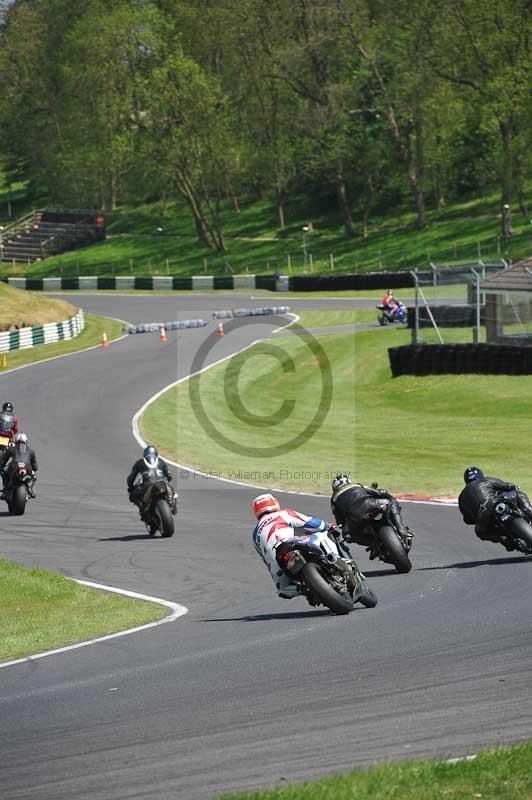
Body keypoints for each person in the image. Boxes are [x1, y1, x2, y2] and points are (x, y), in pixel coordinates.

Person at [252, 493, 330, 599]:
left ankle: (302, 589)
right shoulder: (284, 514)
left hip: (277, 564)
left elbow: (265, 560)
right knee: (322, 534)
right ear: (275, 503)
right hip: (292, 545)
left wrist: (276, 577)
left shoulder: (255, 534)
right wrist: (327, 525)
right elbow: (310, 522)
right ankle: (332, 558)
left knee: (282, 590)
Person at [458, 466, 532, 547]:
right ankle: (529, 510)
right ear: (480, 475)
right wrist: (514, 487)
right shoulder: (486, 480)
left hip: (483, 516)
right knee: (517, 493)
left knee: (480, 533)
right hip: (495, 502)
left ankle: (504, 539)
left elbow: (467, 520)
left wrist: (477, 518)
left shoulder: (461, 497)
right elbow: (507, 486)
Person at [330, 474, 411, 541]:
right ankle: (401, 529)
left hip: (354, 517)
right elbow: (379, 493)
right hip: (372, 504)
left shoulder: (334, 499)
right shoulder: (357, 485)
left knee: (347, 535)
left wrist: (346, 527)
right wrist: (384, 492)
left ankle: (373, 544)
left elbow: (339, 520)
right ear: (348, 481)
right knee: (391, 501)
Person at [127, 445, 173, 517]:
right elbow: (169, 476)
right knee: (172, 492)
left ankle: (143, 509)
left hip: (147, 485)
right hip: (162, 483)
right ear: (156, 454)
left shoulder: (140, 462)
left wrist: (131, 487)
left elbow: (131, 478)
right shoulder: (161, 461)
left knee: (132, 495)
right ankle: (171, 503)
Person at [1, 432, 38, 498]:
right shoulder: (31, 451)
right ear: (26, 441)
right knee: (34, 476)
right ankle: (30, 488)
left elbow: (4, 460)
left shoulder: (11, 448)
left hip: (14, 466)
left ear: (16, 441)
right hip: (27, 467)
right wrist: (34, 469)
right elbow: (35, 465)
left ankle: (6, 490)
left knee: (4, 472)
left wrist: (2, 466)